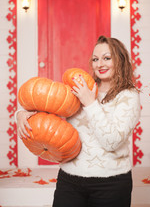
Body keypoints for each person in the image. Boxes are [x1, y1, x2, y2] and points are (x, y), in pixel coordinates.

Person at [16, 35, 141, 207]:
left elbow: (111, 141)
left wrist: (90, 102)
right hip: (70, 181)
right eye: (95, 59)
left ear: (120, 60)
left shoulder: (129, 96)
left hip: (111, 184)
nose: (100, 64)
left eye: (107, 58)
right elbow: (50, 102)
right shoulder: (81, 87)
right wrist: (23, 113)